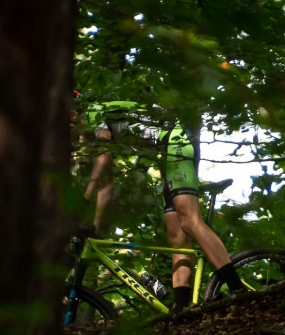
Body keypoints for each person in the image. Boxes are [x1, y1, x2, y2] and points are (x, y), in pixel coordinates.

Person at [73, 96, 244, 311]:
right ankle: (180, 308)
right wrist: (95, 225)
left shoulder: (92, 112)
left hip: (175, 140)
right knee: (176, 235)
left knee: (190, 221)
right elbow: (107, 186)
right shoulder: (88, 135)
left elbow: (104, 158)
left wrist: (84, 200)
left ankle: (238, 290)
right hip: (165, 151)